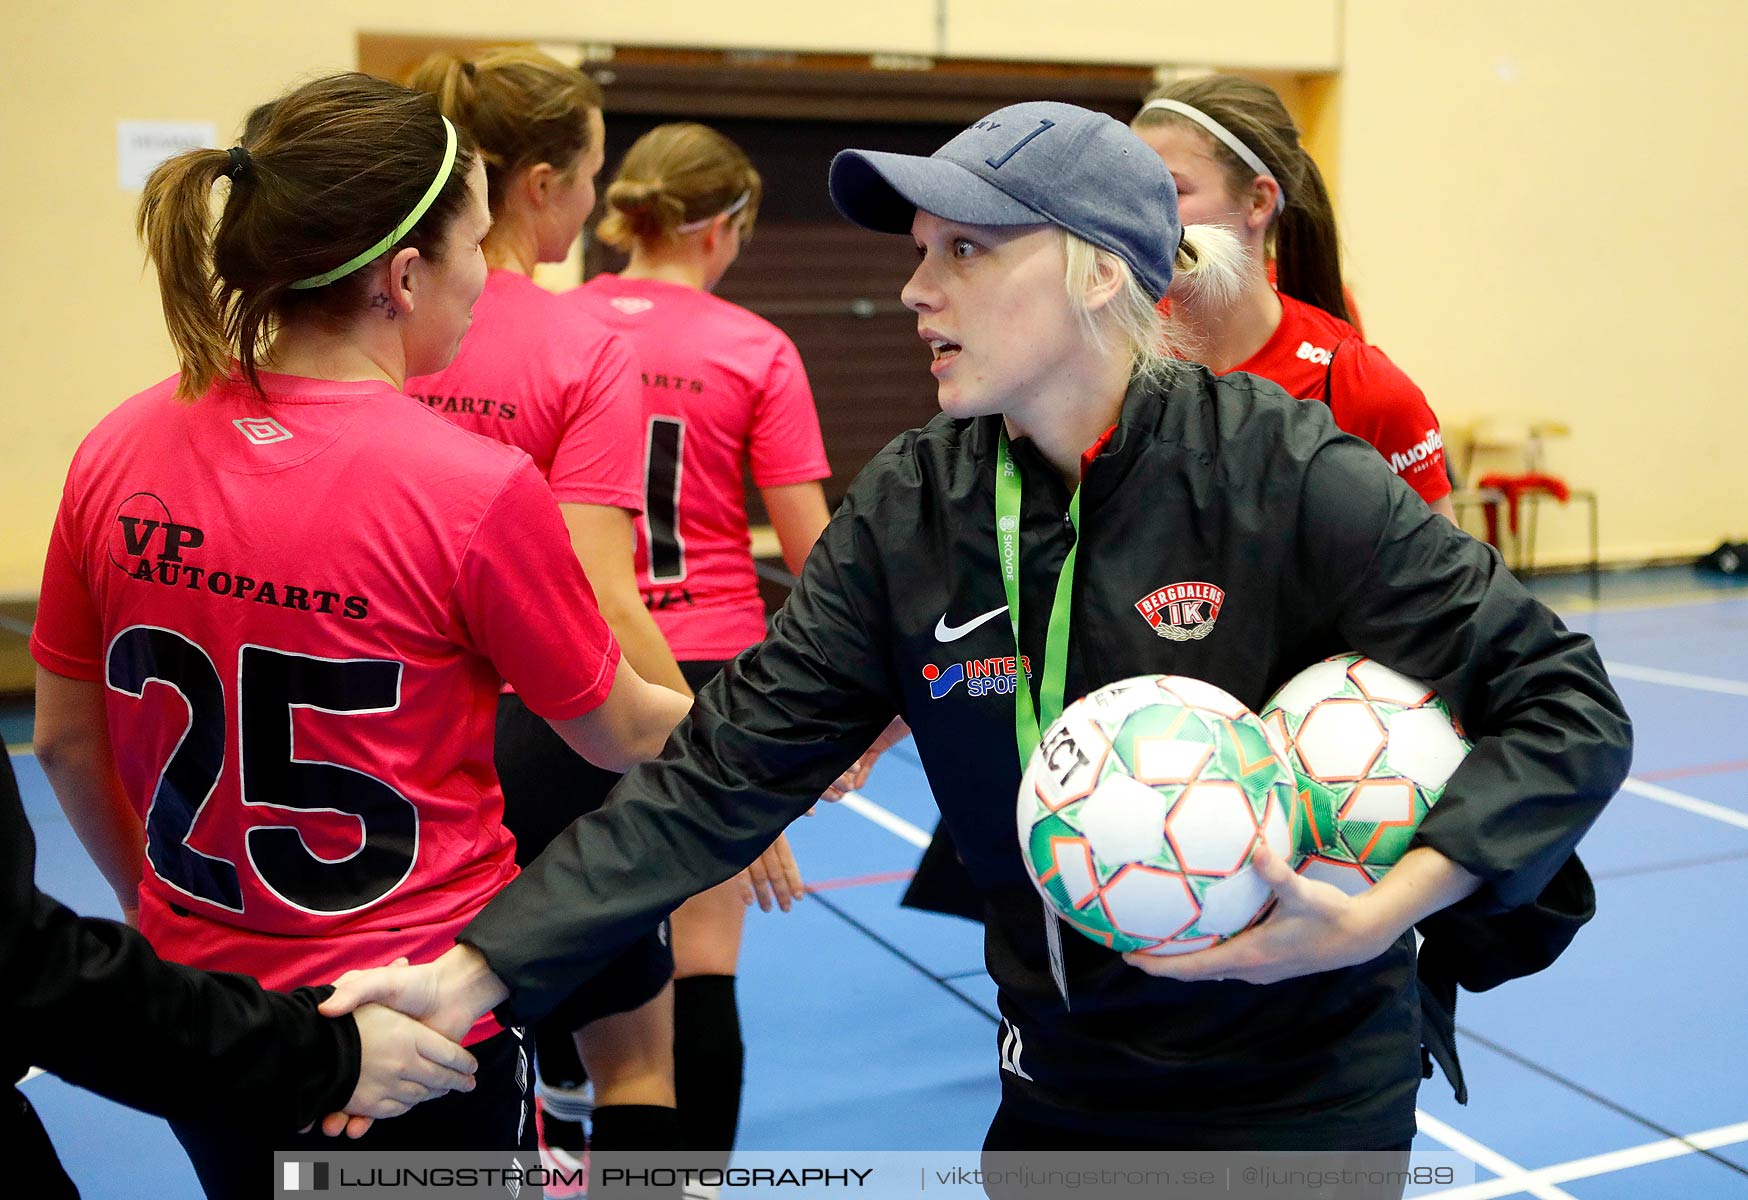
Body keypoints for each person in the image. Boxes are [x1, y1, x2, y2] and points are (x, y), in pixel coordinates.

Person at [320, 102, 1631, 1165]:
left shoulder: (1280, 472)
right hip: (1059, 1080)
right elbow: (718, 779)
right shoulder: (916, 506)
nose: (911, 289)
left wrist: (1378, 917)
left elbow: (1566, 704)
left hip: (1298, 1084)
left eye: (963, 251)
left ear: (1099, 268)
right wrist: (476, 971)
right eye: (917, 250)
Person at [28, 72, 688, 1197]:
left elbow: (66, 743)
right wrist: (799, 717)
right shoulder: (470, 488)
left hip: (211, 1017)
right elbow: (617, 733)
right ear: (401, 277)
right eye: (477, 245)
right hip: (416, 1029)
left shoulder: (117, 447)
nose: (489, 277)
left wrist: (168, 915)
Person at [904, 73, 1461, 928]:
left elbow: (1448, 617)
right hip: (1124, 778)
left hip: (1289, 815)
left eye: (1169, 190)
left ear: (1259, 203)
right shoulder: (1098, 368)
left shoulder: (1346, 384)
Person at [402, 47, 722, 1174]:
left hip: (379, 733)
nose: (594, 200)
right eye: (589, 173)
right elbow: (599, 590)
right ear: (541, 184)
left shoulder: (366, 315)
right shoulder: (578, 349)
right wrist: (711, 744)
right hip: (534, 729)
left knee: (443, 1044)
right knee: (634, 1052)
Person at [569, 121, 836, 1169]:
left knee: (577, 946)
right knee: (702, 964)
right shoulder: (750, 347)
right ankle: (691, 1188)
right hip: (711, 670)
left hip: (574, 666)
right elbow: (817, 551)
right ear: (723, 229)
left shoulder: (553, 325)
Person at [2, 750, 478, 1199]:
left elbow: (63, 744)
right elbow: (30, 971)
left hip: (215, 992)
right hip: (407, 1004)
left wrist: (138, 897)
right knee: (459, 1183)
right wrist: (326, 1053)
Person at [1132, 75, 1455, 520]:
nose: (1137, 217)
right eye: (1130, 192)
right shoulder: (1117, 358)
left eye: (1171, 191)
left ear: (1259, 202)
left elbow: (1448, 585)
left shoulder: (1361, 390)